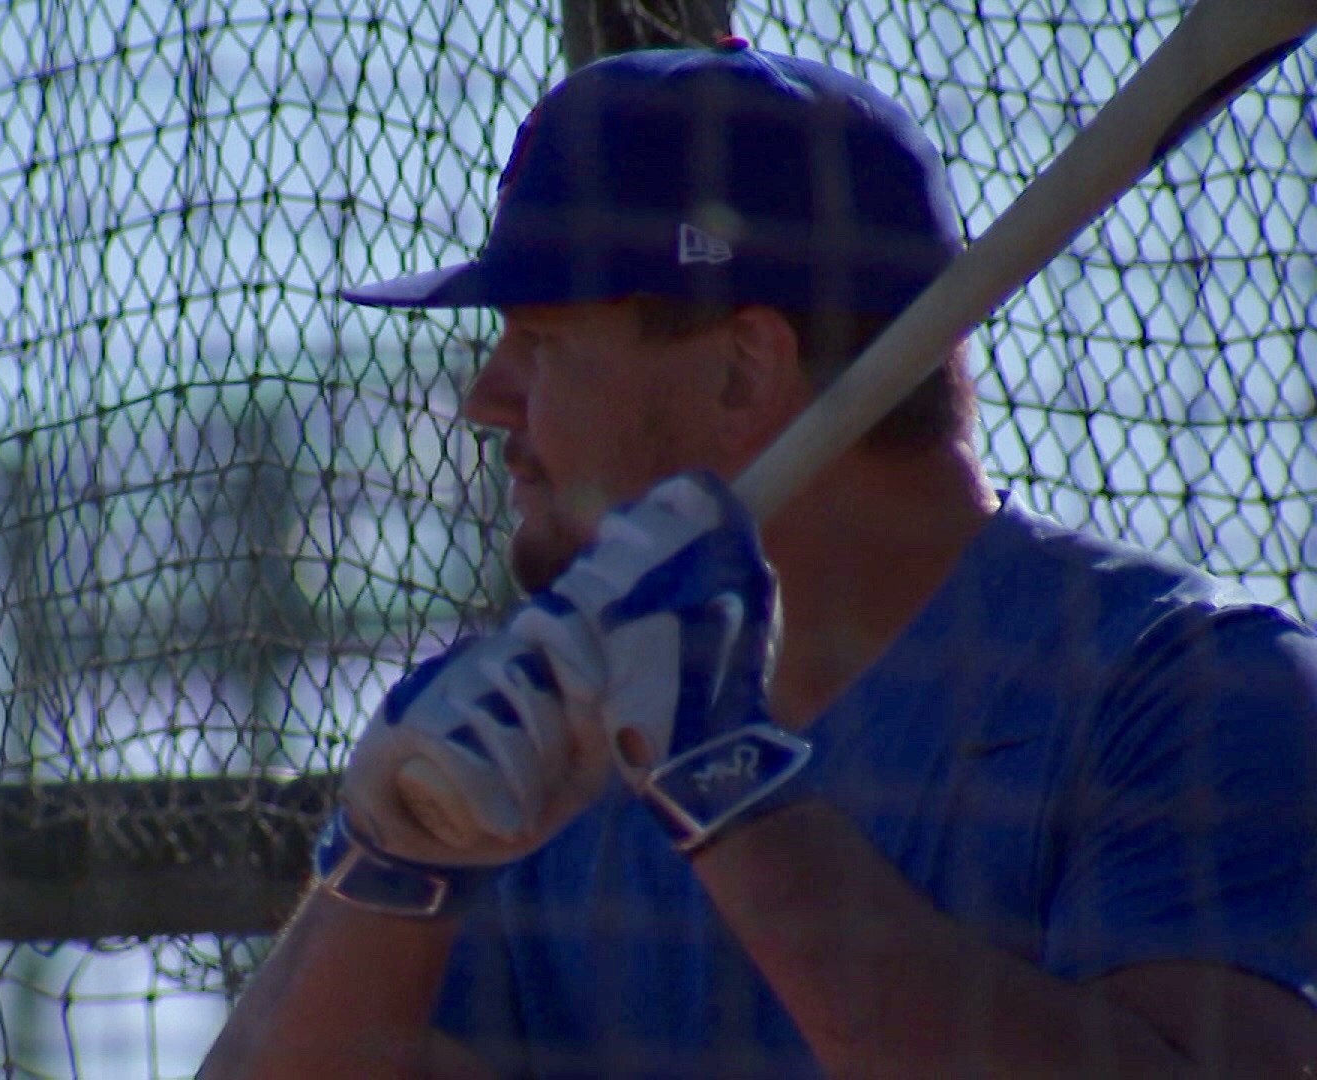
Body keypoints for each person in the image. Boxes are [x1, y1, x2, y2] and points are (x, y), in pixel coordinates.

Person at [199, 40, 1317, 1078]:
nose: (482, 404)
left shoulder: (1188, 691)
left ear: (742, 371)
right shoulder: (541, 745)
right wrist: (389, 874)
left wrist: (729, 793)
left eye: (540, 341)